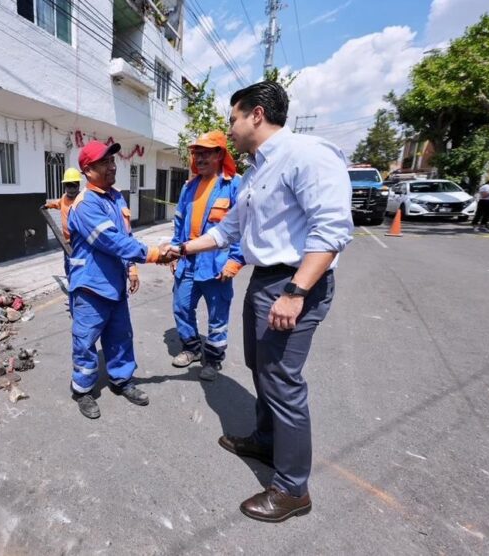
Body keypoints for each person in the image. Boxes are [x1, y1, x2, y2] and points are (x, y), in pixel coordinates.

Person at [159, 81, 353, 522]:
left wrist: (296, 291)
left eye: (233, 119)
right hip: (265, 279)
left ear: (257, 115)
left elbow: (332, 229)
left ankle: (292, 489)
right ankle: (267, 440)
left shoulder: (307, 154)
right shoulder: (255, 173)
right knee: (260, 368)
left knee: (282, 381)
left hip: (293, 282)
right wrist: (182, 249)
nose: (230, 129)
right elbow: (228, 231)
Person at [66, 140, 163, 419]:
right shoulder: (85, 204)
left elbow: (125, 236)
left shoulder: (116, 197)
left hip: (115, 284)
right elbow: (110, 241)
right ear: (88, 170)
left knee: (120, 337)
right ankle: (82, 389)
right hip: (90, 286)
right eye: (104, 163)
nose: (112, 166)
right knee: (85, 341)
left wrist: (131, 269)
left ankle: (121, 380)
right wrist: (154, 254)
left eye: (112, 161)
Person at [169, 130, 245, 381]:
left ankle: (213, 358)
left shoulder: (234, 185)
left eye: (205, 153)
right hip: (188, 261)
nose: (199, 158)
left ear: (219, 154)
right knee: (181, 306)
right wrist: (175, 252)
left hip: (217, 264)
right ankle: (191, 348)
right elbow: (179, 222)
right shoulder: (189, 187)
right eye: (196, 153)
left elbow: (242, 227)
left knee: (217, 313)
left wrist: (235, 261)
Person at [43, 167, 83, 277]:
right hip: (66, 240)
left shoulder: (83, 199)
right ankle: (71, 280)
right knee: (68, 263)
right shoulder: (64, 198)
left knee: (79, 263)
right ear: (65, 187)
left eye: (74, 186)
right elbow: (57, 203)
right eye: (68, 186)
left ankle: (79, 281)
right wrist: (48, 205)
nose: (71, 189)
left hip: (80, 240)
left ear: (78, 185)